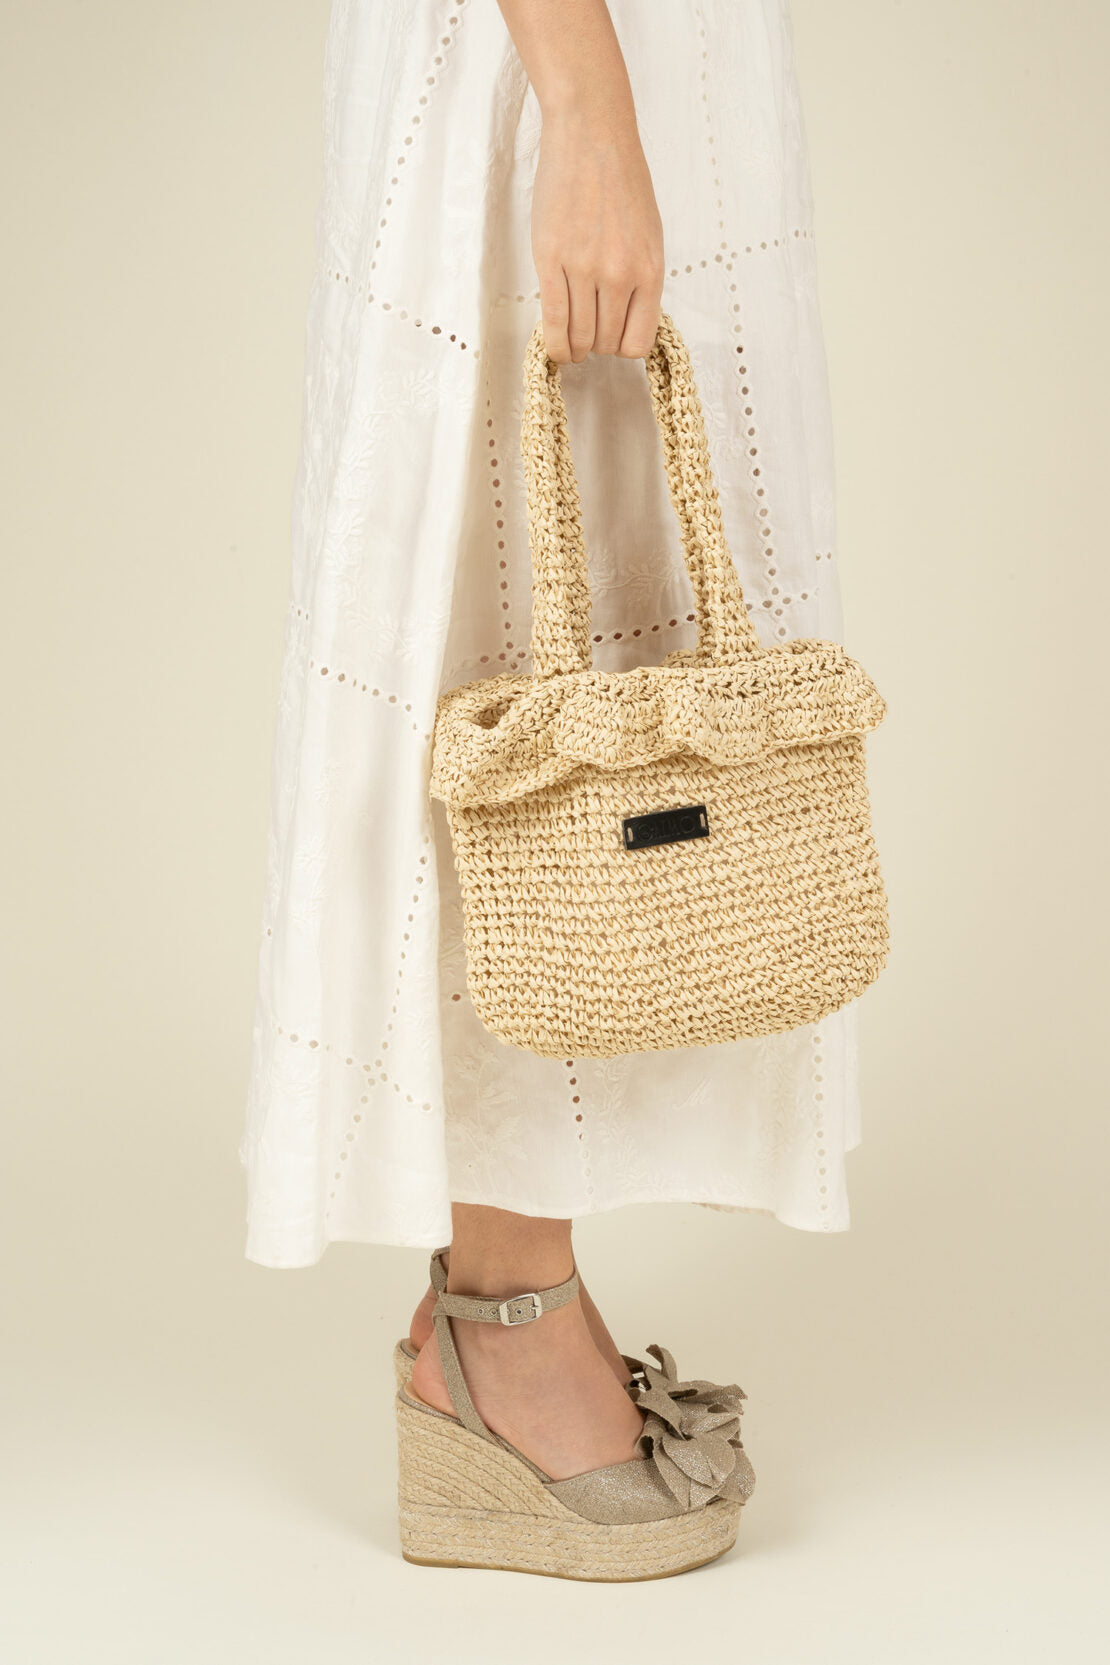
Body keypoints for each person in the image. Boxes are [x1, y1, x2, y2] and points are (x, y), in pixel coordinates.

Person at [242, 0, 862, 1578]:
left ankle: (503, 1307)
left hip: (654, 59)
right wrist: (584, 102)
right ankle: (501, 1322)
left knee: (593, 626)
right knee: (511, 645)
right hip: (544, 60)